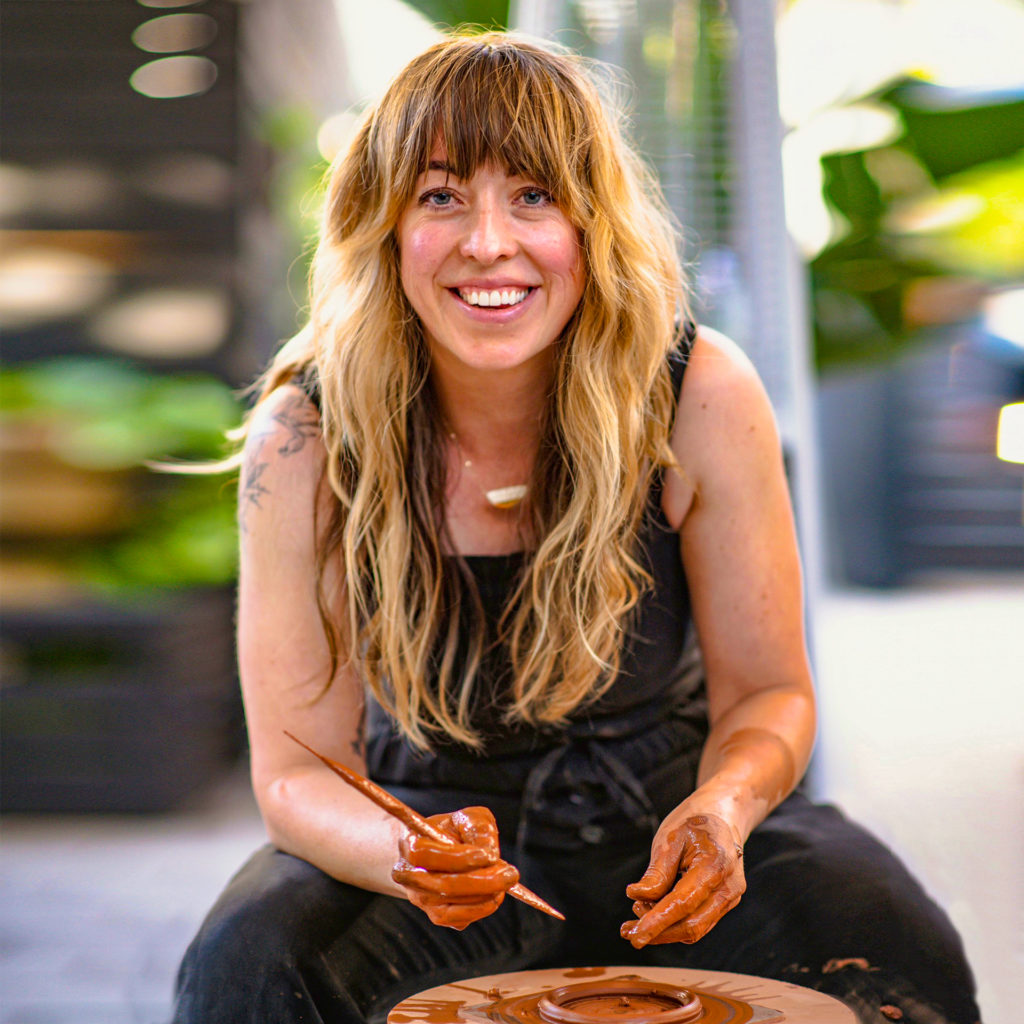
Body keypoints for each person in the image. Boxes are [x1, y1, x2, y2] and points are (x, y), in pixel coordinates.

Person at [171, 32, 979, 1024]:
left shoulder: (699, 391)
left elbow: (769, 693)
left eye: (533, 196)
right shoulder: (304, 434)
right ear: (382, 223)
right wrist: (404, 854)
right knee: (247, 962)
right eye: (439, 196)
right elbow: (297, 771)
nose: (487, 241)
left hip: (673, 818)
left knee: (894, 942)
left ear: (592, 221)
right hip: (428, 828)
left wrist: (723, 808)